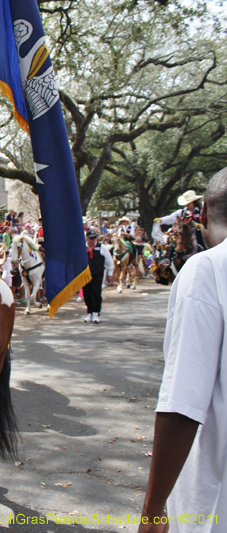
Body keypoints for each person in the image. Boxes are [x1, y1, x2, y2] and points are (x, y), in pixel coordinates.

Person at [139, 168, 227, 532]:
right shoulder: (177, 222)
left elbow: (182, 405)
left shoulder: (206, 268)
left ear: (203, 212)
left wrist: (153, 509)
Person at [81, 229, 114, 324]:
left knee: (96, 293)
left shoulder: (102, 247)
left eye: (95, 237)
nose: (93, 240)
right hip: (85, 275)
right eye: (91, 238)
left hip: (97, 274)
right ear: (87, 238)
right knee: (86, 294)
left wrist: (110, 274)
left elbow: (109, 261)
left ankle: (96, 312)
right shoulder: (83, 248)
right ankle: (89, 312)